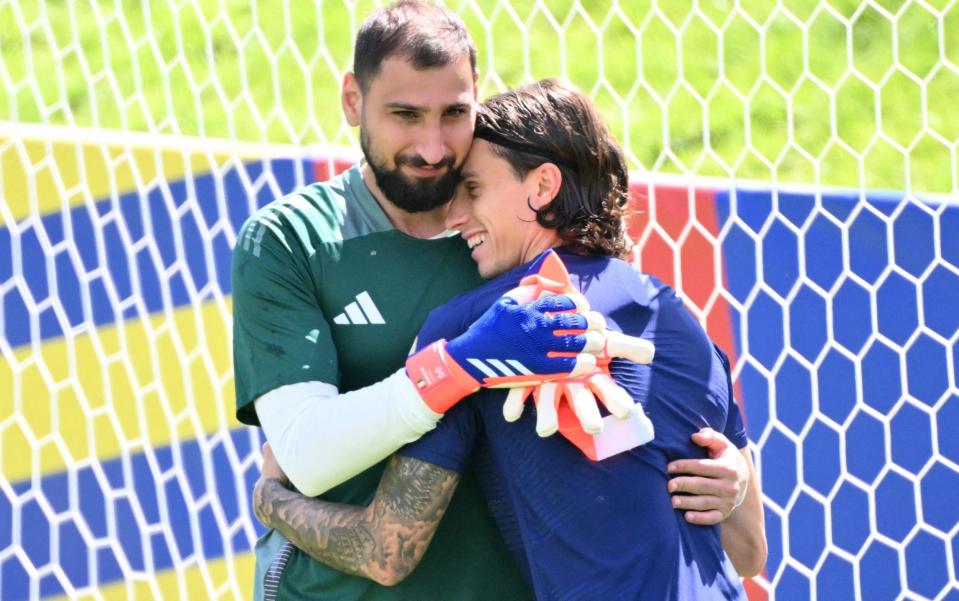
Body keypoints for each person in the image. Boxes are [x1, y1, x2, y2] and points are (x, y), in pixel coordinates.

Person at [233, 2, 755, 599]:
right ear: (353, 100)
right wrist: (456, 368)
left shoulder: (513, 279)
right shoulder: (292, 240)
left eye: (455, 114)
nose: (433, 149)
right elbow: (306, 452)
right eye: (405, 115)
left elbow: (386, 547)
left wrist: (730, 483)